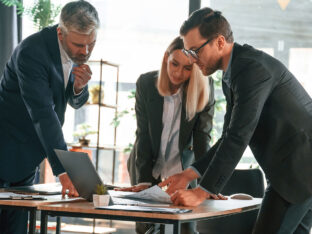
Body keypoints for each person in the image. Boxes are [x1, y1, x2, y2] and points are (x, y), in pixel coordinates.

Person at [159, 7, 312, 234]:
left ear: (220, 42)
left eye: (194, 51)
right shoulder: (233, 72)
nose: (192, 60)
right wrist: (189, 174)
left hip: (297, 171)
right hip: (294, 171)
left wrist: (201, 192)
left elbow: (239, 135)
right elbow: (228, 136)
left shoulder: (251, 69)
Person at [0, 1, 99, 233]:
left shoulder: (73, 48)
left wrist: (78, 88)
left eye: (91, 44)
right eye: (78, 45)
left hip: (26, 161)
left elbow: (69, 101)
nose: (85, 52)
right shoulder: (31, 52)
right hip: (4, 152)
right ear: (60, 32)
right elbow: (43, 113)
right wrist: (64, 171)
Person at [121, 36, 215, 234]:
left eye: (187, 68)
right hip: (148, 168)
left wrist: (208, 185)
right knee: (147, 229)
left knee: (186, 229)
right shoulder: (147, 83)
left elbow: (202, 138)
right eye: (174, 64)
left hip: (183, 172)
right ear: (166, 58)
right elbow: (144, 135)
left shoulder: (205, 87)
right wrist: (144, 180)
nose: (179, 73)